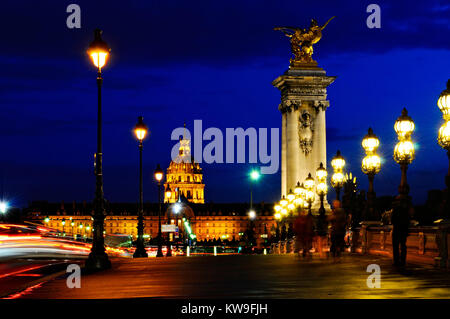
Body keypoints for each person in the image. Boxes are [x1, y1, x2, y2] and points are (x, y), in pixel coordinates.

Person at [391, 196, 412, 267]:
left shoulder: (395, 210)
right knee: (403, 246)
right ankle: (403, 260)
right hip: (403, 230)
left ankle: (396, 261)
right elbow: (408, 220)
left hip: (396, 230)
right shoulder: (406, 210)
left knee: (396, 247)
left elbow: (392, 220)